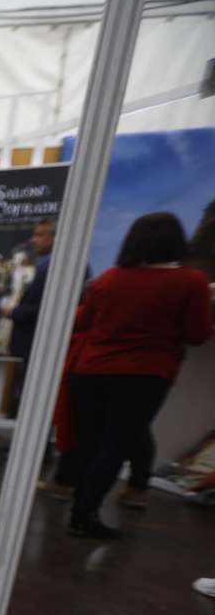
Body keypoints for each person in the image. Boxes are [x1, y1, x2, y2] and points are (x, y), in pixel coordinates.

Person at [65, 212, 213, 538]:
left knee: (89, 440)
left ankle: (78, 509)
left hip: (89, 369)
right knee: (117, 444)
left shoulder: (107, 279)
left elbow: (87, 323)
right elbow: (197, 334)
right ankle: (85, 515)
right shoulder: (191, 282)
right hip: (144, 374)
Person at [4, 218, 93, 417]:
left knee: (38, 399)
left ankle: (34, 445)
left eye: (40, 235)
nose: (33, 240)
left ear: (58, 237)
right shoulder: (48, 265)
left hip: (43, 344)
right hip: (35, 345)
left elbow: (52, 308)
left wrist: (14, 312)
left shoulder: (62, 265)